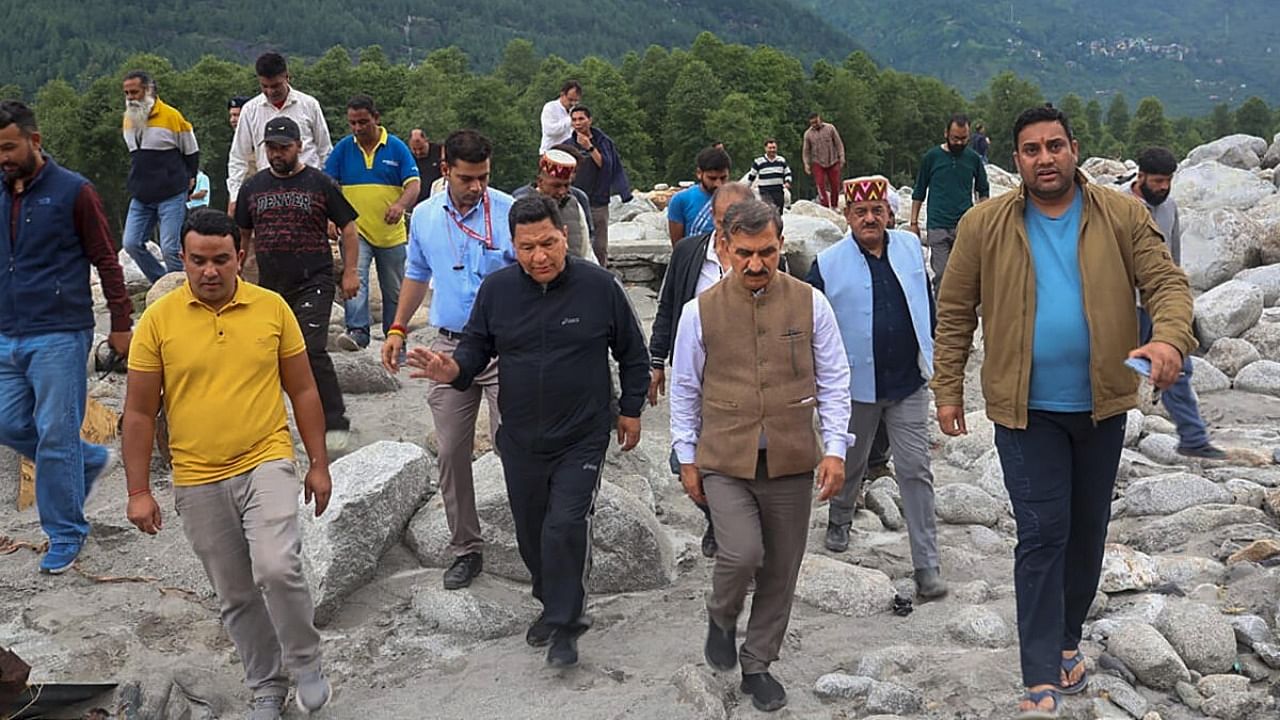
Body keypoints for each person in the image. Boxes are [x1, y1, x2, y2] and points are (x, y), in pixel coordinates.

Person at [932, 105, 1194, 718]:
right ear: (1015, 159)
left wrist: (1170, 338)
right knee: (1043, 533)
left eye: (1054, 146)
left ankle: (1069, 635)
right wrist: (947, 388)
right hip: (1025, 411)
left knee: (1087, 533)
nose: (1044, 158)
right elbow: (954, 311)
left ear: (1075, 149)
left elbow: (1166, 283)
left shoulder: (1122, 214)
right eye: (1031, 150)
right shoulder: (982, 224)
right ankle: (1040, 671)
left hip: (1102, 404)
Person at [406, 194, 649, 668]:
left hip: (583, 432)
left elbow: (632, 354)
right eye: (527, 247)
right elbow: (474, 351)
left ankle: (565, 623)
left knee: (565, 526)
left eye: (548, 244)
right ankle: (551, 601)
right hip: (519, 436)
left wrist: (632, 409)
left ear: (564, 237)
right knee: (531, 536)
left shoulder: (599, 287)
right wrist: (451, 369)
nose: (539, 257)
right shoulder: (497, 292)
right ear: (512, 247)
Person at [123, 208, 334, 720]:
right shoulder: (158, 320)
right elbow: (138, 410)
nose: (210, 271)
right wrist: (137, 491)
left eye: (221, 259)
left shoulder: (272, 309)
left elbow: (303, 388)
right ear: (183, 258)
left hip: (266, 458)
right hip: (196, 476)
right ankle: (266, 685)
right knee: (235, 592)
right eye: (198, 261)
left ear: (240, 257)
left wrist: (319, 463)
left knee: (277, 567)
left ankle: (305, 662)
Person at [671, 198, 851, 713]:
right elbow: (685, 389)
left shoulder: (810, 303)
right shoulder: (698, 312)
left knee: (782, 569)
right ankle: (722, 615)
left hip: (792, 457)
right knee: (742, 553)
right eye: (745, 253)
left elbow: (836, 381)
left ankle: (758, 663)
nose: (756, 265)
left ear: (781, 245)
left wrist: (835, 449)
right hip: (725, 458)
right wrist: (686, 457)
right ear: (725, 248)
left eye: (767, 253)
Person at [0, 100, 133, 574]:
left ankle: (66, 532)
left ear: (35, 141)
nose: (3, 157)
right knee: (8, 422)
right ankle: (87, 459)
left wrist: (121, 324)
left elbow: (106, 258)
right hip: (6, 330)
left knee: (56, 435)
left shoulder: (75, 191)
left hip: (60, 330)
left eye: (10, 146)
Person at [381, 129, 515, 591]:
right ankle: (466, 548)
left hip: (504, 345)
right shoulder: (423, 216)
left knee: (511, 444)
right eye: (466, 178)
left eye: (483, 177)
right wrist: (398, 328)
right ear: (445, 171)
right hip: (449, 345)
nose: (476, 186)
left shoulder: (508, 211)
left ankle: (534, 536)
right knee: (452, 450)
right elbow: (417, 273)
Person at [807, 176, 946, 598]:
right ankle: (840, 517)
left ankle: (927, 564)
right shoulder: (827, 263)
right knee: (850, 460)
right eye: (860, 212)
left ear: (888, 212)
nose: (870, 219)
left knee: (915, 468)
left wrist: (934, 344)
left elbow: (926, 301)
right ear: (847, 216)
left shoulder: (908, 248)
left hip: (907, 380)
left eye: (877, 211)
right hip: (853, 383)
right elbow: (813, 323)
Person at [234, 117, 358, 452]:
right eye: (271, 148)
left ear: (298, 146)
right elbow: (242, 234)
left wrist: (350, 272)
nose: (277, 154)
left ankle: (334, 419)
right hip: (270, 285)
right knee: (264, 353)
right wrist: (238, 272)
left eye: (283, 147)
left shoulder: (320, 183)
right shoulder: (253, 187)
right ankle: (265, 423)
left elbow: (348, 227)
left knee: (310, 348)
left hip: (314, 279)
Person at [649, 181, 754, 557]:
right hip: (696, 375)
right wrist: (656, 360)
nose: (729, 230)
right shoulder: (689, 253)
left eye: (739, 221)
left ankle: (735, 530)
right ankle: (717, 517)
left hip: (746, 381)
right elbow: (668, 307)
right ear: (712, 217)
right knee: (684, 460)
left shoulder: (760, 256)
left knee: (741, 461)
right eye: (724, 221)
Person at [1129, 147, 1225, 459]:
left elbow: (1174, 257)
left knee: (1179, 365)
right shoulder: (1117, 206)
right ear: (1140, 176)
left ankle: (1193, 439)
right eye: (1157, 181)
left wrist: (1180, 297)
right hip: (1125, 306)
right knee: (1116, 372)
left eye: (1168, 180)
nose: (1163, 187)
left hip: (1161, 307)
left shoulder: (1169, 206)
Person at [324, 95, 421, 351]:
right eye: (353, 123)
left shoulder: (397, 147)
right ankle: (357, 332)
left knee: (394, 289)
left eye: (363, 122)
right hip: (355, 231)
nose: (357, 128)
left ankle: (395, 337)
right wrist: (330, 216)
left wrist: (401, 205)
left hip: (391, 233)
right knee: (355, 278)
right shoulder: (344, 148)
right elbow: (328, 184)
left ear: (376, 118)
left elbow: (413, 184)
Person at [227, 53, 332, 218]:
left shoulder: (309, 105)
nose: (270, 91)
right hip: (269, 190)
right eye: (264, 86)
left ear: (287, 77)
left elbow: (325, 150)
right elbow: (238, 157)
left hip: (309, 189)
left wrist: (328, 192)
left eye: (276, 86)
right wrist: (234, 196)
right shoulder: (250, 110)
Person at [120, 70, 200, 283]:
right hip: (141, 193)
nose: (130, 97)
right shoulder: (128, 120)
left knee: (170, 248)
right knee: (131, 243)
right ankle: (161, 283)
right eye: (126, 93)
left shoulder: (172, 116)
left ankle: (180, 288)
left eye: (134, 92)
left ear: (148, 90)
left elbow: (191, 150)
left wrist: (190, 177)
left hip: (171, 191)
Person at [909, 113, 990, 294]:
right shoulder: (932, 157)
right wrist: (913, 223)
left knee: (965, 275)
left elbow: (983, 191)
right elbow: (919, 190)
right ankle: (941, 317)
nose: (959, 143)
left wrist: (984, 220)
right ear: (946, 133)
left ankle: (962, 316)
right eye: (955, 138)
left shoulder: (973, 159)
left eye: (963, 138)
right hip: (937, 225)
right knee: (942, 274)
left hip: (965, 226)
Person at [569, 104, 633, 266]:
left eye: (581, 119)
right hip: (573, 201)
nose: (578, 123)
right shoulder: (568, 144)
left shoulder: (603, 142)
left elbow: (607, 166)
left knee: (599, 246)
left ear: (590, 120)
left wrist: (589, 147)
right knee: (576, 244)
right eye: (574, 120)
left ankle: (602, 277)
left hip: (598, 201)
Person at [513, 148, 594, 261]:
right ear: (540, 181)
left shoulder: (574, 205)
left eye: (566, 186)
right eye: (556, 186)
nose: (562, 192)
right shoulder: (518, 206)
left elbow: (586, 251)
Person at [667, 146, 731, 244]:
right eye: (712, 178)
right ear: (699, 173)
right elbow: (678, 247)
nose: (718, 184)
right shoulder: (681, 200)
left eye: (723, 178)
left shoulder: (737, 199)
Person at [802, 113, 844, 209]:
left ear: (820, 119)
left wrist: (841, 157)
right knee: (820, 185)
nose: (814, 125)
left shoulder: (830, 128)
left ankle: (834, 205)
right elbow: (806, 151)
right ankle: (825, 206)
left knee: (835, 184)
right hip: (817, 162)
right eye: (812, 123)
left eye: (816, 122)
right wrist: (806, 164)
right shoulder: (808, 134)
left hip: (832, 160)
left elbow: (838, 143)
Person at [747, 139, 792, 212]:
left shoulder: (781, 160)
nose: (772, 150)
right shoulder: (759, 162)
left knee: (778, 212)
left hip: (778, 190)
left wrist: (788, 182)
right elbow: (752, 176)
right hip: (765, 191)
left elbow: (787, 172)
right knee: (767, 211)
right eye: (770, 148)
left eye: (774, 148)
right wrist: (746, 188)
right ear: (765, 148)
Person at [539, 80, 581, 155]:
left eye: (576, 101)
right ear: (562, 95)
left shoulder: (575, 110)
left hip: (569, 154)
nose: (573, 103)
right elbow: (550, 130)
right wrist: (570, 120)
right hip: (550, 153)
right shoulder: (550, 107)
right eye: (570, 99)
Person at [408, 128, 444, 206]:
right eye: (414, 149)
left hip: (437, 199)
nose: (418, 152)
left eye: (421, 148)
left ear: (426, 140)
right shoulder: (407, 157)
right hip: (416, 203)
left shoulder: (440, 151)